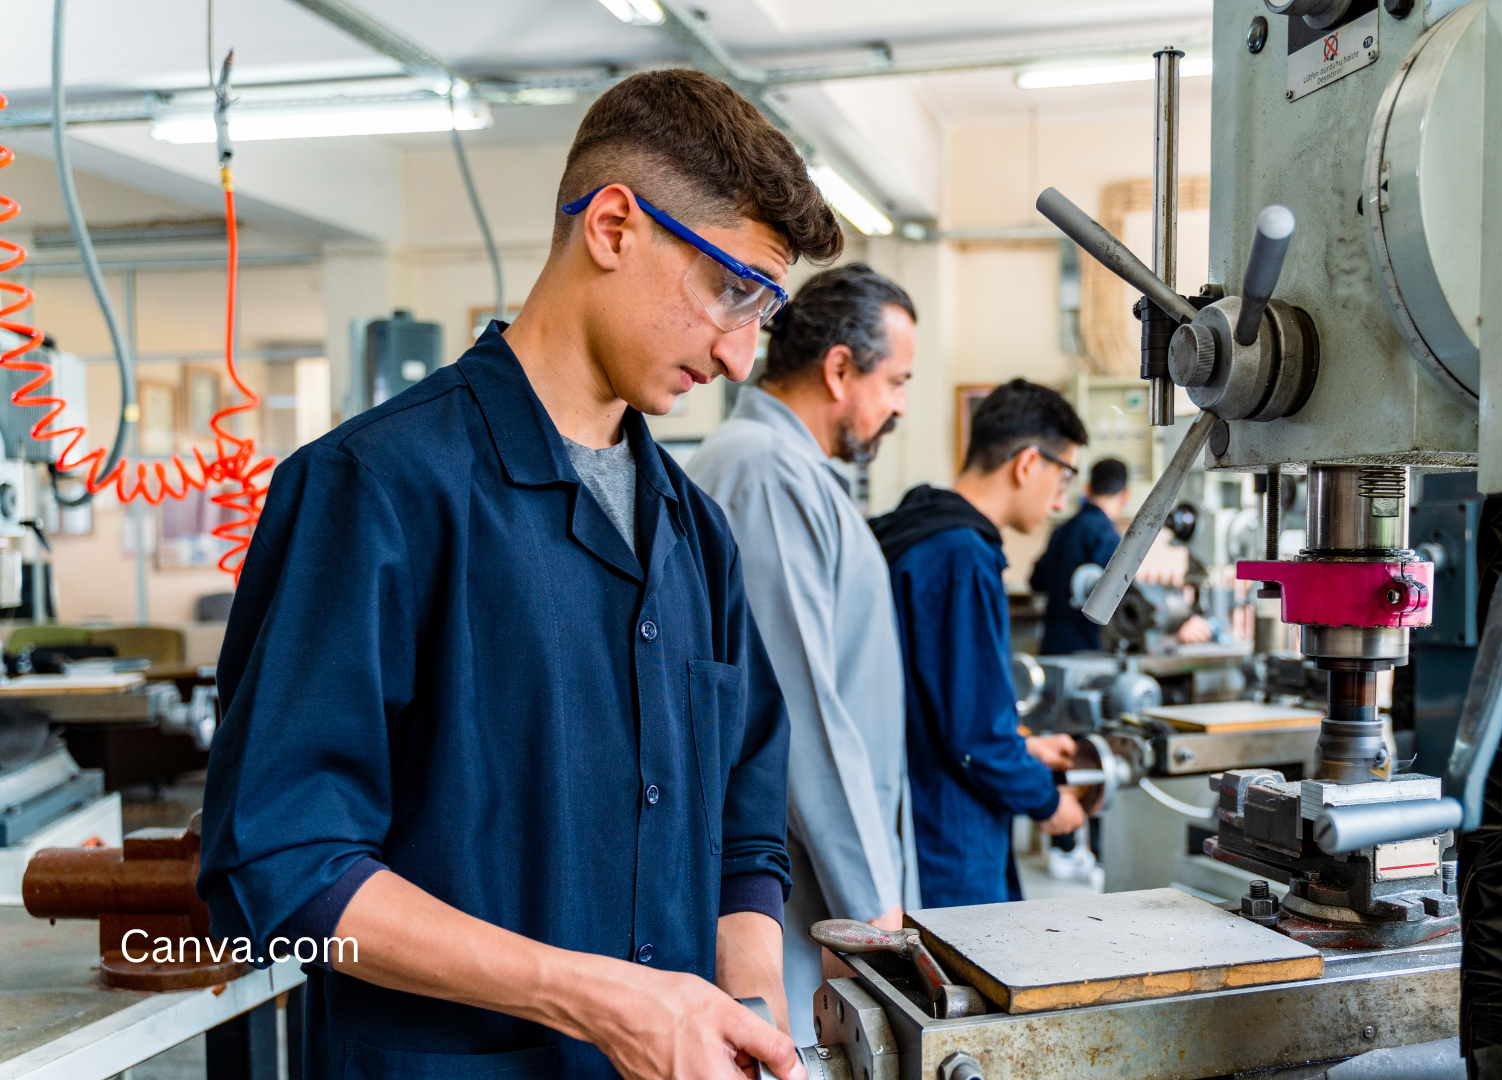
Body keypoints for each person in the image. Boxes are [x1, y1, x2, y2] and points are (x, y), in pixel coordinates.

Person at [198, 70, 844, 1080]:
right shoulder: (373, 491)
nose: (737, 353)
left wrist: (743, 1016)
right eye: (731, 292)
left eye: (762, 310)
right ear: (615, 227)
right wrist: (597, 999)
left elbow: (745, 837)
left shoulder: (695, 536)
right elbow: (284, 868)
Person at [684, 264, 917, 1039]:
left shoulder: (788, 471)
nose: (899, 407)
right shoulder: (761, 471)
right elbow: (797, 711)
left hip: (815, 879)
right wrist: (870, 916)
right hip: (794, 894)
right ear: (840, 368)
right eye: (896, 381)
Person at [870, 380, 1090, 909]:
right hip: (950, 834)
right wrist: (1047, 803)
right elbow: (973, 738)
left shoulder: (920, 531)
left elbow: (937, 702)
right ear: (1027, 464)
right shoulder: (960, 555)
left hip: (913, 808)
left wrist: (1025, 747)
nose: (1061, 501)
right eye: (1063, 476)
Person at [1029, 457, 1130, 655]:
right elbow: (1117, 597)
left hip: (1052, 644)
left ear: (1087, 489)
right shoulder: (1106, 535)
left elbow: (1036, 580)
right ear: (1125, 495)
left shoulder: (1061, 530)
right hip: (1087, 648)